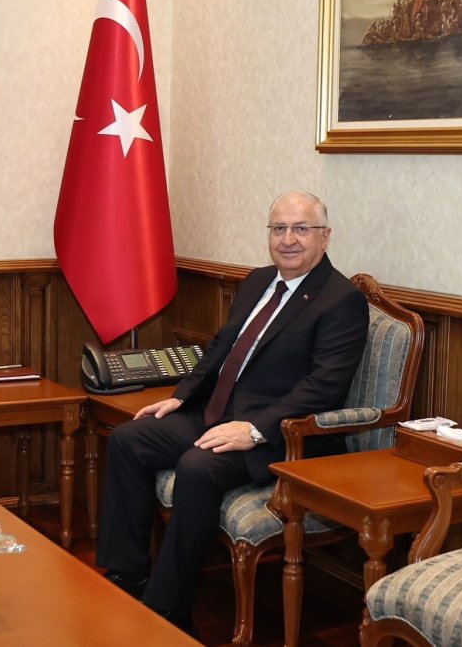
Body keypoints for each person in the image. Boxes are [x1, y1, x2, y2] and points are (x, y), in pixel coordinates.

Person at [96, 191, 369, 633]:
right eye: (278, 228)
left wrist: (256, 430)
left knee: (197, 466)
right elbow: (221, 348)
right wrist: (181, 398)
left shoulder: (340, 300)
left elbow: (324, 388)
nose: (288, 240)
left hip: (280, 436)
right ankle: (127, 573)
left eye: (301, 229)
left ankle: (167, 607)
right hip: (216, 412)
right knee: (131, 437)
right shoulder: (259, 281)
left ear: (325, 236)